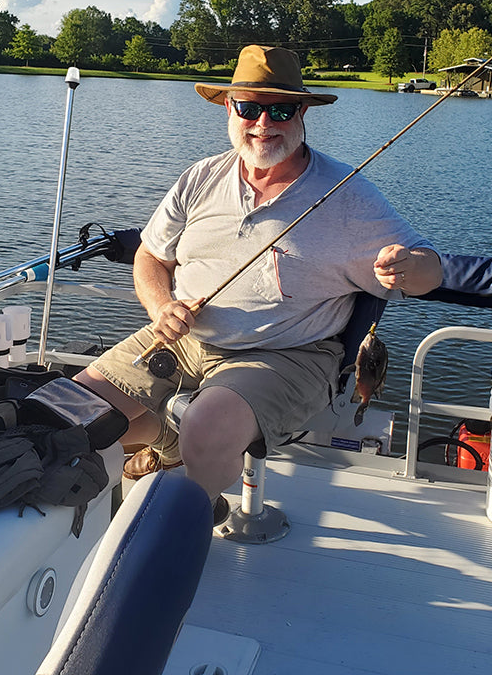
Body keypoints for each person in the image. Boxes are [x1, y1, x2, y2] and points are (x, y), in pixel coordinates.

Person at [75, 45, 441, 523]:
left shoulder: (349, 195)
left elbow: (431, 270)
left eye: (281, 109)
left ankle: (182, 528)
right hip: (182, 339)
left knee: (206, 427)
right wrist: (161, 306)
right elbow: (150, 255)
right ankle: (169, 444)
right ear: (229, 108)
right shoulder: (199, 177)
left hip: (289, 354)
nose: (263, 123)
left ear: (303, 111)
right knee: (75, 411)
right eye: (249, 107)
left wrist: (408, 268)